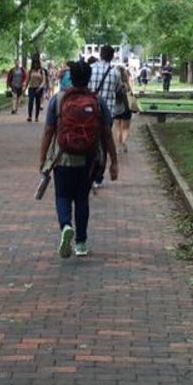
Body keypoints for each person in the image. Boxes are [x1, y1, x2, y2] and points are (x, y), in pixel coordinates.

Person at [38, 58, 118, 259]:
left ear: (70, 77)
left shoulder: (58, 100)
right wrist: (113, 161)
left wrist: (42, 159)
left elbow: (48, 131)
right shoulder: (97, 101)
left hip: (62, 157)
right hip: (88, 159)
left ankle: (66, 225)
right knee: (82, 198)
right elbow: (107, 133)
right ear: (88, 78)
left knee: (62, 196)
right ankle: (81, 243)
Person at [88, 45, 121, 192]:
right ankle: (98, 177)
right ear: (112, 56)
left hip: (90, 111)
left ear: (100, 55)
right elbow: (118, 89)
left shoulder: (91, 68)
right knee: (104, 143)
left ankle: (87, 172)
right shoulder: (115, 72)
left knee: (88, 141)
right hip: (107, 113)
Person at [112, 63, 134, 153]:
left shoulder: (114, 84)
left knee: (118, 128)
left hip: (116, 107)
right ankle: (124, 142)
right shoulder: (126, 84)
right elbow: (131, 94)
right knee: (126, 128)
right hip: (127, 106)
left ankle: (119, 146)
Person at [25, 54, 47, 122]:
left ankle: (36, 117)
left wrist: (40, 87)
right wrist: (24, 88)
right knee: (30, 102)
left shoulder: (42, 71)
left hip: (39, 89)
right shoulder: (30, 71)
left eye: (37, 63)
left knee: (38, 103)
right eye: (34, 63)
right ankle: (30, 116)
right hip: (31, 88)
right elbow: (27, 80)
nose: (35, 65)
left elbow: (44, 81)